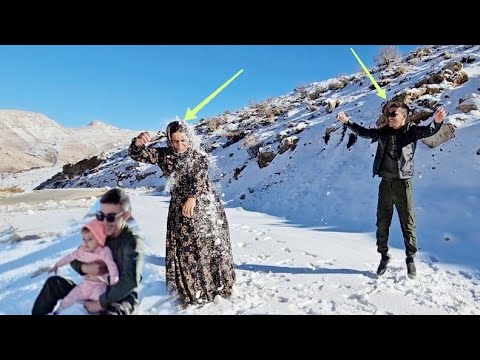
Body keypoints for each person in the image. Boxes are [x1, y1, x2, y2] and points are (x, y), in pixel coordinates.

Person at [129, 120, 236, 308]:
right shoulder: (164, 155)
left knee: (206, 245)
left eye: (183, 141)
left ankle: (215, 287)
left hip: (203, 206)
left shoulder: (198, 156)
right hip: (179, 207)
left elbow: (200, 177)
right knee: (184, 249)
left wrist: (193, 197)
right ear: (169, 140)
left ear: (190, 138)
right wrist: (138, 144)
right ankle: (191, 289)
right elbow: (138, 155)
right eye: (175, 141)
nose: (179, 145)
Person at [337, 102, 446, 278]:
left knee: (408, 222)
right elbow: (364, 132)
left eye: (394, 114)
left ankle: (410, 258)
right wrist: (347, 121)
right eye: (389, 114)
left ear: (404, 116)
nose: (390, 117)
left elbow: (429, 131)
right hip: (386, 184)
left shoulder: (411, 131)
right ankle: (383, 255)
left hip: (403, 184)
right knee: (382, 221)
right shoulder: (384, 131)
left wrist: (437, 122)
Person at [32, 188, 143, 315]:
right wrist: (85, 268)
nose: (105, 222)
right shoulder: (100, 233)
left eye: (111, 217)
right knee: (54, 283)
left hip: (119, 297)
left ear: (125, 215)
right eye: (101, 216)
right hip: (92, 288)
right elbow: (77, 257)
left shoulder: (131, 242)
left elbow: (131, 280)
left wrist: (101, 302)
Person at [48, 219, 119, 314]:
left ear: (99, 238)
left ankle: (92, 309)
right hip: (86, 284)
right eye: (84, 239)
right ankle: (58, 312)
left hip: (100, 285)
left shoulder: (104, 251)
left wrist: (114, 283)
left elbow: (112, 266)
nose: (86, 243)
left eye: (90, 239)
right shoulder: (82, 250)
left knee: (102, 300)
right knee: (70, 298)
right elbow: (70, 257)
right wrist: (57, 265)